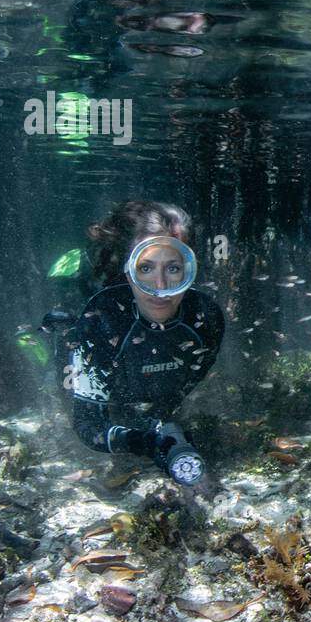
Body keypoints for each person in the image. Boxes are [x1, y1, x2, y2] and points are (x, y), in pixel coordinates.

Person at [61, 201, 225, 485]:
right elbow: (87, 423)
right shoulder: (100, 319)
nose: (160, 288)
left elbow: (184, 385)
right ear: (127, 268)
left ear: (189, 268)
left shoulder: (206, 318)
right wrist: (140, 442)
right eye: (146, 268)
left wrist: (158, 422)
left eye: (173, 268)